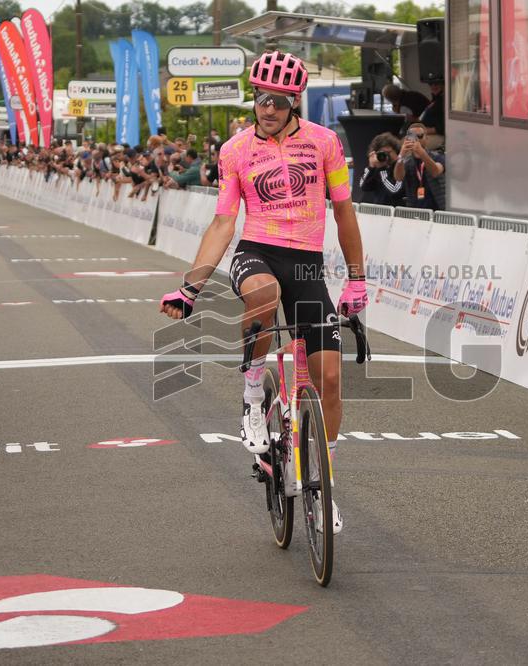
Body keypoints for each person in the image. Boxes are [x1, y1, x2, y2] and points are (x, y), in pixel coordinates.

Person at [160, 50, 366, 534]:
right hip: (257, 253)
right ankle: (253, 395)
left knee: (329, 380)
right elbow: (222, 224)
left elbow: (344, 212)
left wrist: (356, 278)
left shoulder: (325, 143)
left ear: (295, 102)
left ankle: (321, 481)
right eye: (261, 98)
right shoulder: (234, 151)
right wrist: (190, 288)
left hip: (307, 264)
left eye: (278, 100)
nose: (268, 108)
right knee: (264, 293)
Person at [394, 122, 445, 211]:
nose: (416, 139)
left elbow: (435, 172)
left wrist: (421, 152)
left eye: (420, 136)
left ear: (427, 138)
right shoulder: (407, 161)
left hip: (437, 210)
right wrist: (401, 155)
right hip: (414, 210)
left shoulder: (438, 157)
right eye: (412, 136)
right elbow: (398, 177)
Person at [359, 132, 404, 207]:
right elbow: (364, 187)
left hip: (396, 211)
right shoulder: (377, 167)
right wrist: (371, 167)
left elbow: (395, 190)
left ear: (396, 151)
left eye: (388, 152)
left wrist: (382, 169)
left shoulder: (400, 167)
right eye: (382, 153)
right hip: (380, 211)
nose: (385, 155)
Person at [419, 81, 445, 150]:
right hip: (427, 132)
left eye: (436, 84)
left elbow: (442, 127)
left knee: (411, 146)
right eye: (431, 84)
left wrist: (423, 131)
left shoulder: (444, 101)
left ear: (443, 84)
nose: (433, 86)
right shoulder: (436, 99)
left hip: (439, 135)